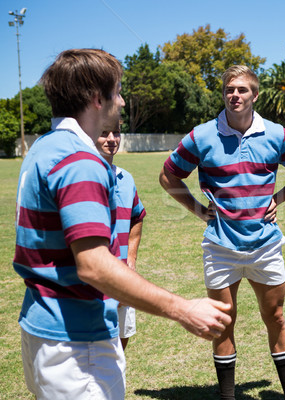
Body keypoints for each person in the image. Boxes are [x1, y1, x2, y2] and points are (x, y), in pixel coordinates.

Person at [13, 48, 232, 400]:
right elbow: (93, 265)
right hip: (76, 344)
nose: (124, 102)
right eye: (117, 91)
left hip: (42, 330)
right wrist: (183, 309)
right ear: (96, 98)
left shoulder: (43, 147)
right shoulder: (80, 160)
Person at [159, 65, 285, 400]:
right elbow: (169, 176)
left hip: (265, 246)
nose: (235, 95)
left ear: (255, 95)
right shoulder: (201, 136)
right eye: (229, 89)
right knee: (222, 322)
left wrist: (279, 198)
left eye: (242, 90)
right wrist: (199, 210)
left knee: (275, 317)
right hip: (220, 246)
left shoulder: (277, 134)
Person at [96, 122, 146, 350]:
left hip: (122, 275)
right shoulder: (83, 176)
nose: (111, 139)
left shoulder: (126, 179)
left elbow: (137, 216)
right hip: (93, 278)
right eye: (103, 133)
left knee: (120, 345)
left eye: (115, 133)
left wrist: (131, 257)